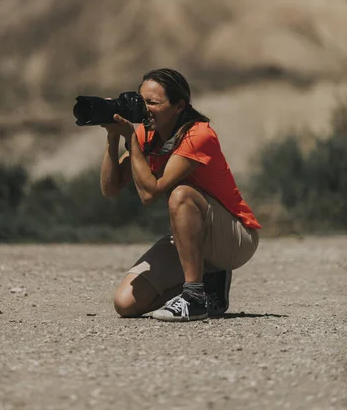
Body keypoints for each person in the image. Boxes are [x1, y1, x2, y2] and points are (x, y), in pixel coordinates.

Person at [100, 68, 261, 322]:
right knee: (125, 303)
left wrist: (130, 138)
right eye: (142, 101)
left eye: (153, 103)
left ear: (178, 106)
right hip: (191, 237)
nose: (145, 108)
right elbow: (110, 188)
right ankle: (210, 286)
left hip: (233, 237)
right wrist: (112, 137)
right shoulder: (145, 135)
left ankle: (194, 297)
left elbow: (149, 194)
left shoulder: (198, 135)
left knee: (181, 194)